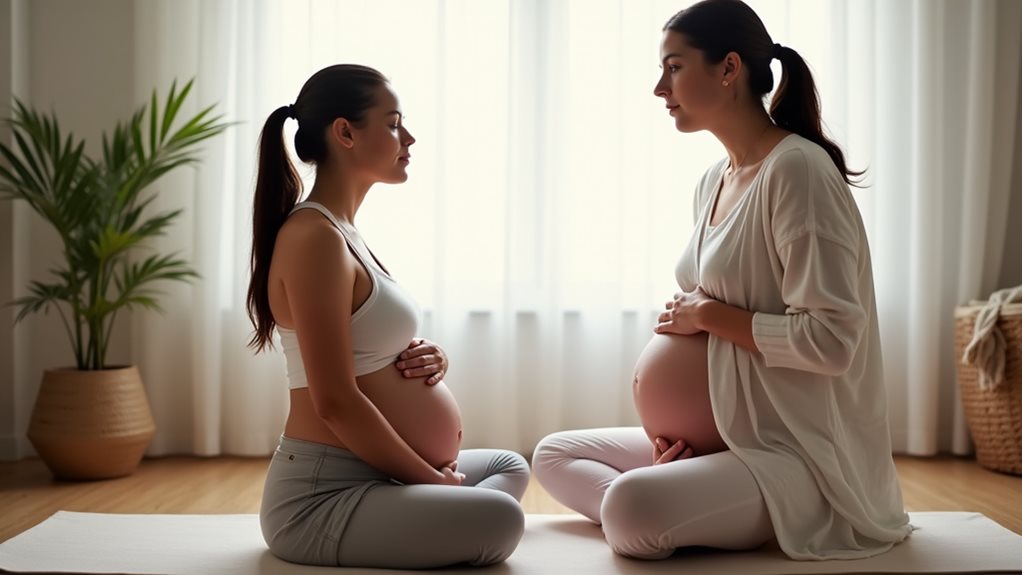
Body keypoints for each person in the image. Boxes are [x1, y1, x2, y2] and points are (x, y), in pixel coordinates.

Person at [532, 0, 912, 561]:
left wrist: (705, 316)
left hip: (791, 451)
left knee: (631, 508)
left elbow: (832, 342)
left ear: (729, 68)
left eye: (675, 66)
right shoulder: (715, 178)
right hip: (722, 436)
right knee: (553, 455)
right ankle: (688, 495)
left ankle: (687, 504)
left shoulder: (798, 171)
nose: (659, 88)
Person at [246, 64, 528, 569]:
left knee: (510, 466)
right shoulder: (314, 238)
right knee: (501, 520)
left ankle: (420, 513)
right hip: (322, 497)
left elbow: (365, 349)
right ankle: (425, 511)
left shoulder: (343, 233)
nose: (410, 137)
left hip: (381, 474)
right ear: (345, 132)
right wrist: (431, 480)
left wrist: (426, 357)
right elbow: (332, 401)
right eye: (394, 123)